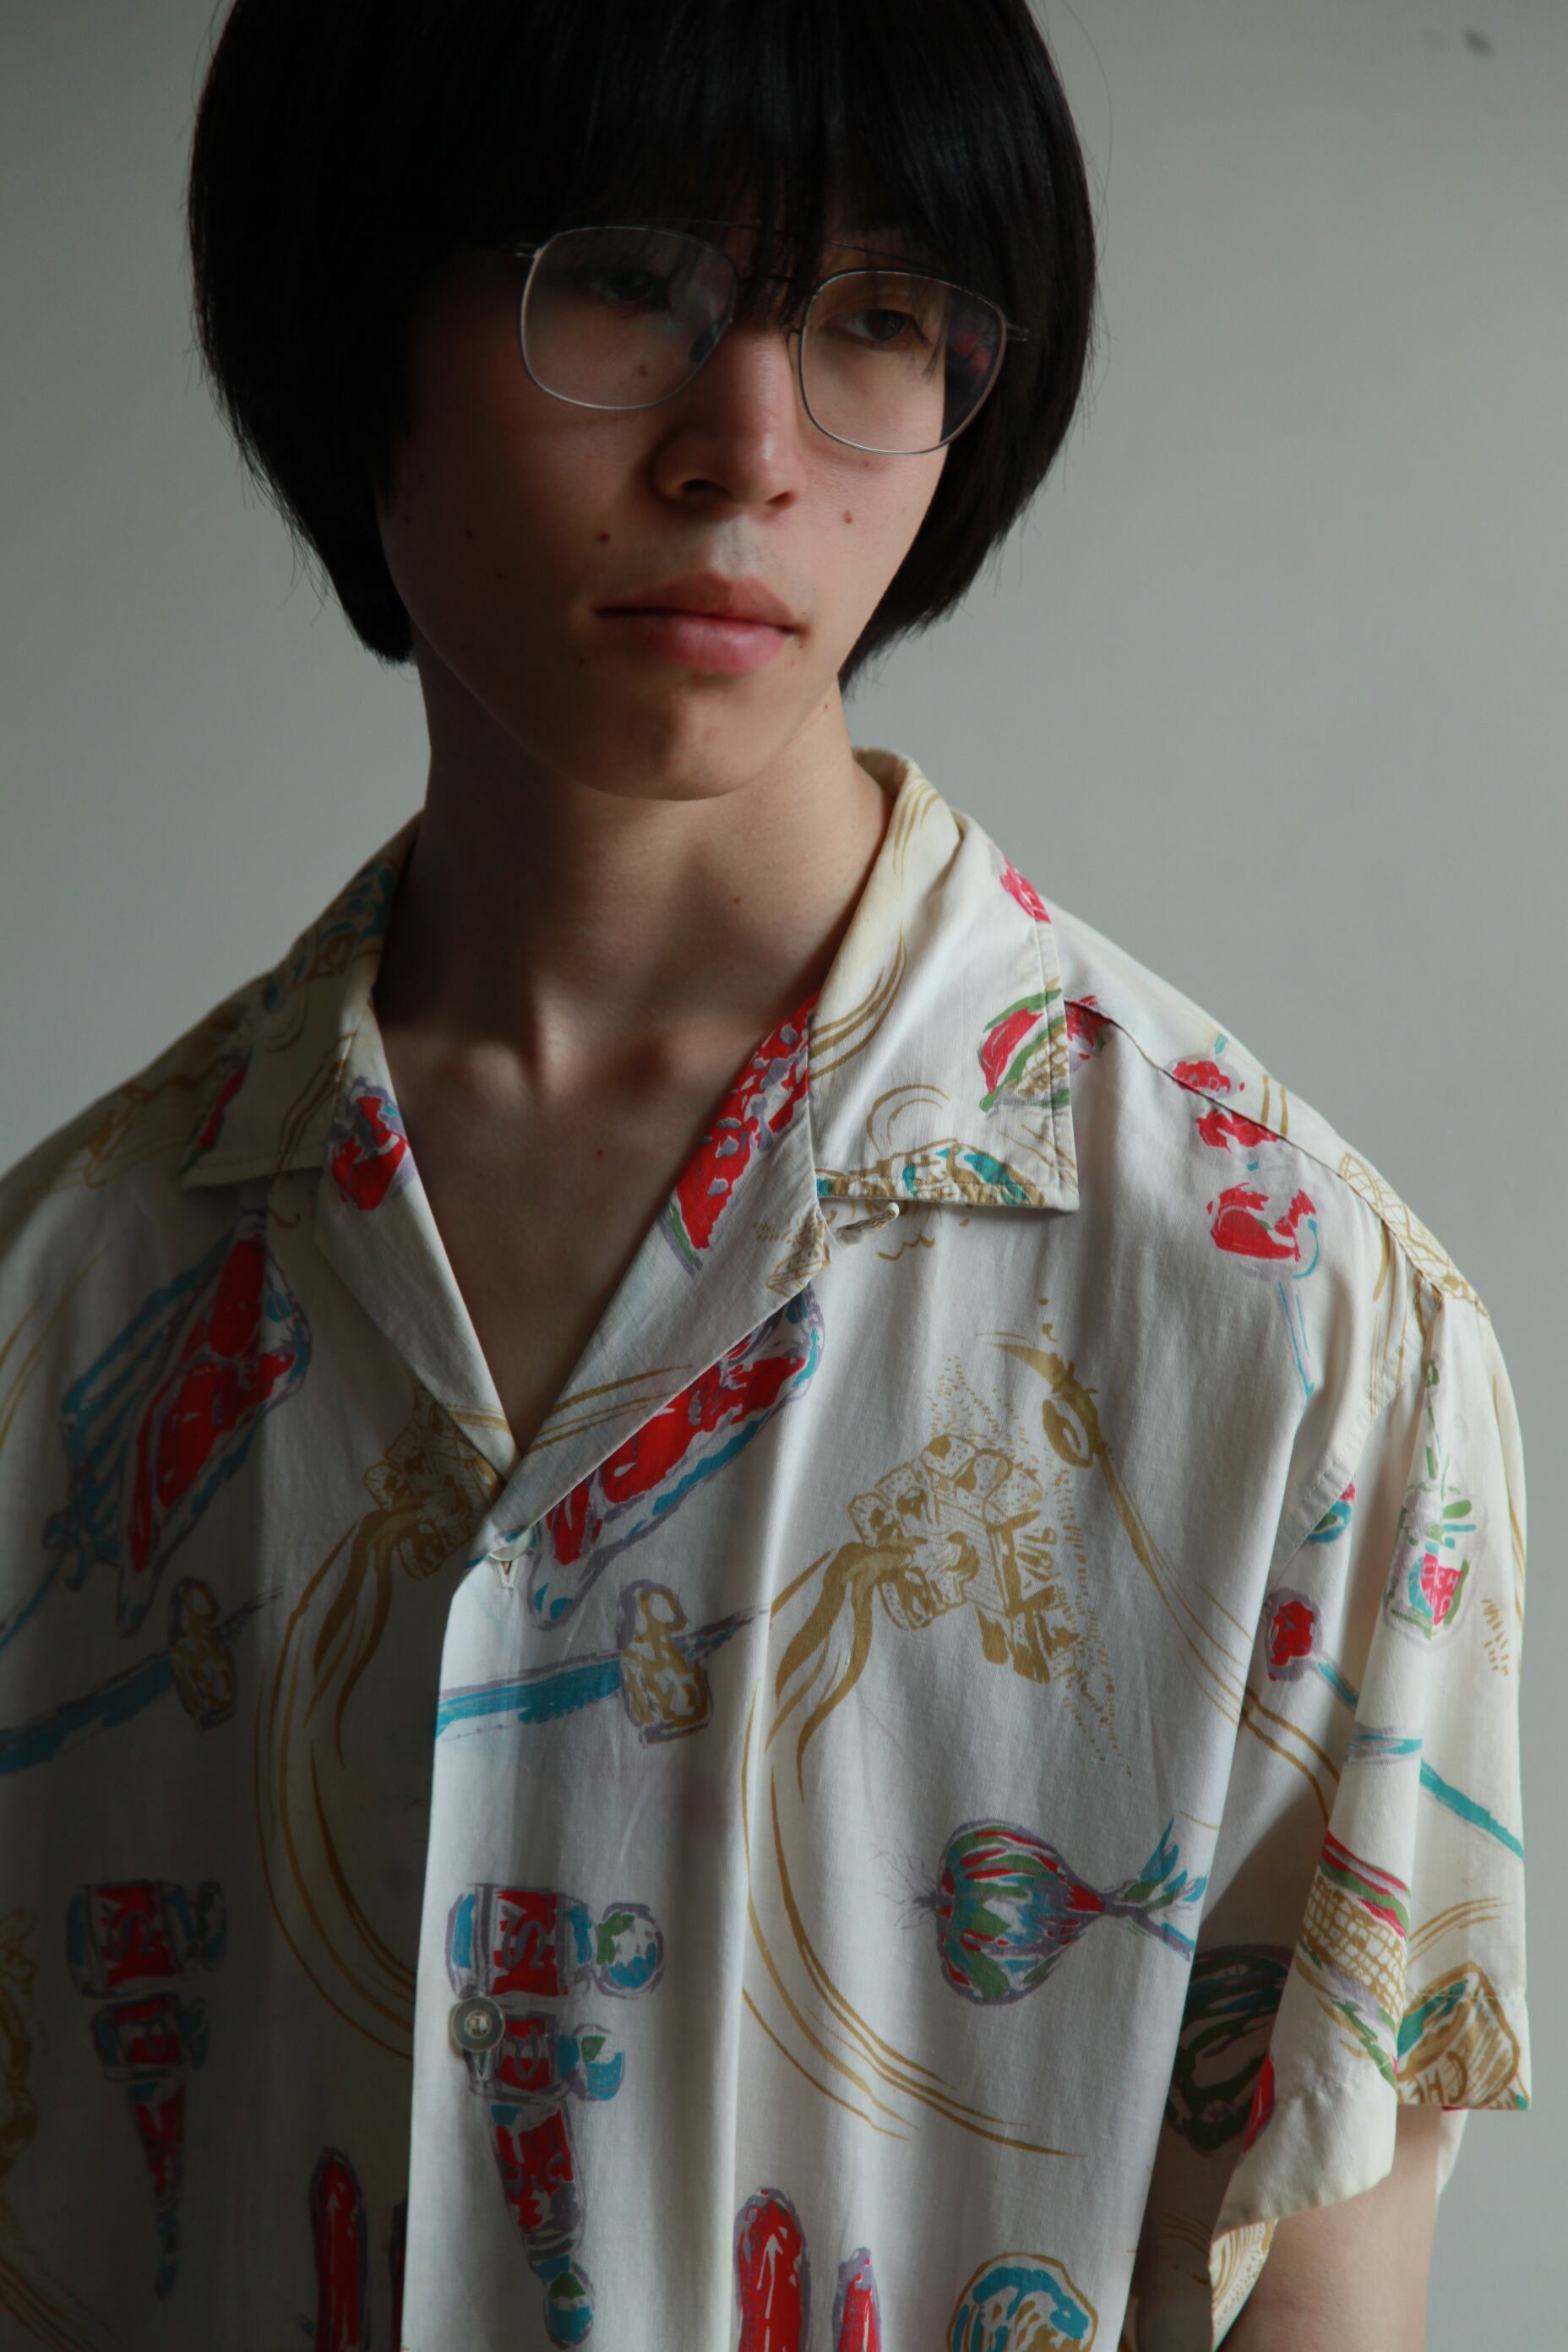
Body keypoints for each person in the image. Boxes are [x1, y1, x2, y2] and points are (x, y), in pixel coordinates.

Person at [0, 3, 1528, 2347]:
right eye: (625, 283)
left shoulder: (1298, 1326)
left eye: (877, 317)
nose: (750, 449)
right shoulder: (62, 1318)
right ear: (348, 315)